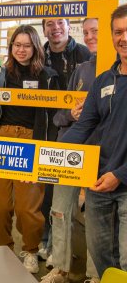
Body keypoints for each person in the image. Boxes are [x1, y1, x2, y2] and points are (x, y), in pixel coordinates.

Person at [0, 25, 59, 274]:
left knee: (27, 208)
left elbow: (56, 114)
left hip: (31, 141)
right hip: (0, 140)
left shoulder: (48, 76)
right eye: (17, 45)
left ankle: (29, 249)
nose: (21, 50)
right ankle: (3, 249)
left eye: (27, 45)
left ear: (35, 47)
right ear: (11, 47)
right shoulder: (0, 74)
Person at [60, 4, 127, 277]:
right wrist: (38, 163)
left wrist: (120, 174)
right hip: (97, 183)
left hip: (124, 183)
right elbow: (82, 127)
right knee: (103, 262)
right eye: (118, 32)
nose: (124, 38)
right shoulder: (103, 81)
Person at [41, 18, 100, 283]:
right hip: (69, 148)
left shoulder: (115, 73)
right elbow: (59, 113)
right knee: (60, 210)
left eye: (95, 31)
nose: (89, 37)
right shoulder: (83, 70)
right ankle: (61, 268)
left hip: (101, 153)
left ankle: (94, 274)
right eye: (86, 32)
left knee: (97, 218)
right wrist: (72, 114)